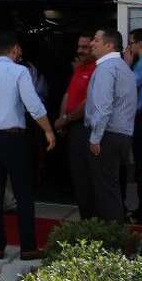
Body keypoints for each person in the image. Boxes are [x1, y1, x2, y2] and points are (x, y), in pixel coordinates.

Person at [0, 32, 56, 260]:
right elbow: (34, 105)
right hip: (13, 137)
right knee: (23, 192)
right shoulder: (19, 71)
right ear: (14, 50)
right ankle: (28, 246)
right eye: (18, 50)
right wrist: (48, 130)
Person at [83, 28, 137, 224]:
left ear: (109, 45)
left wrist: (95, 137)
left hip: (107, 134)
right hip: (121, 134)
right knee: (111, 187)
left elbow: (103, 106)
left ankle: (112, 240)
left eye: (96, 40)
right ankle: (115, 237)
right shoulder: (124, 67)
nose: (92, 43)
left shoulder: (106, 68)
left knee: (105, 190)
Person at [53, 33, 96, 220]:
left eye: (85, 47)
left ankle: (91, 220)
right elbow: (68, 94)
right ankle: (85, 218)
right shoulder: (79, 68)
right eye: (79, 46)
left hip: (85, 127)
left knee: (87, 177)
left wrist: (66, 119)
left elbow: (88, 102)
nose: (80, 51)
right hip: (73, 126)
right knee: (78, 176)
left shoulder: (97, 69)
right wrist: (62, 117)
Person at [127, 28, 142, 220]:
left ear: (140, 43)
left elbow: (130, 84)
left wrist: (126, 65)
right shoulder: (141, 62)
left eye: (132, 42)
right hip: (140, 116)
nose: (130, 46)